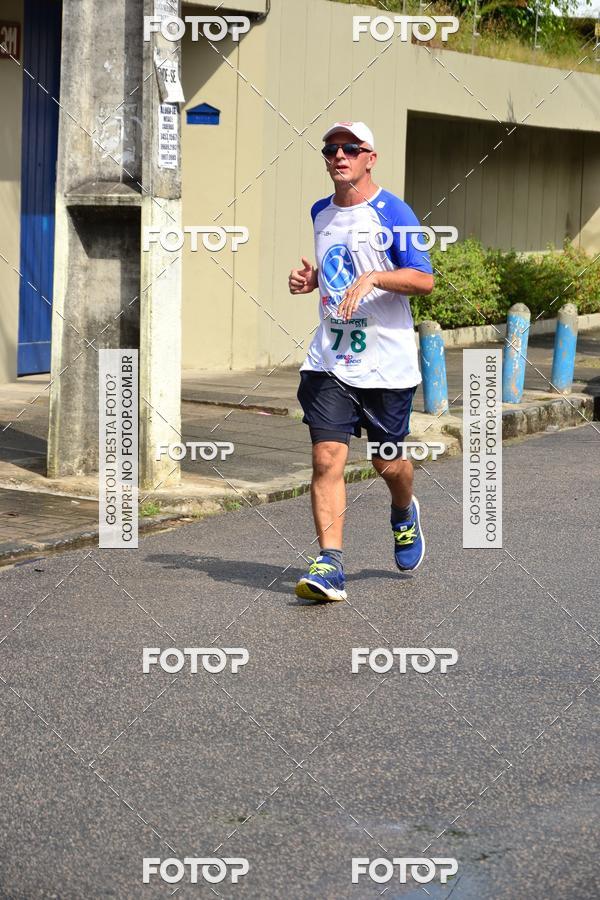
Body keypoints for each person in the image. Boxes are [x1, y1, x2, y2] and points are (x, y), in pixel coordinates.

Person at [288, 121, 434, 602]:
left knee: (386, 461)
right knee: (327, 456)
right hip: (330, 358)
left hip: (386, 364)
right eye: (331, 149)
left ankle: (403, 509)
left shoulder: (395, 211)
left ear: (371, 157)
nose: (339, 155)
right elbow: (339, 271)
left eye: (350, 148)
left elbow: (423, 279)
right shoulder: (320, 212)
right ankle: (330, 564)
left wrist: (375, 277)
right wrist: (314, 283)